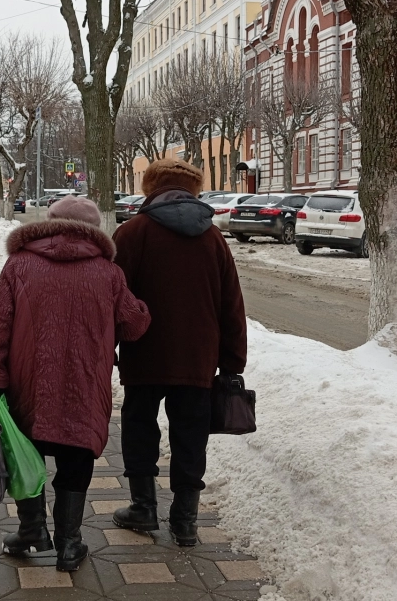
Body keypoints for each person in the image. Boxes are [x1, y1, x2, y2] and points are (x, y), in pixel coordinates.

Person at [0, 196, 151, 571]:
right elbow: (134, 324)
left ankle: (31, 531)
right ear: (94, 230)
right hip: (85, 382)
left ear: (51, 222)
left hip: (27, 381)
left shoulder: (19, 264)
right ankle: (70, 544)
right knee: (77, 452)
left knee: (26, 451)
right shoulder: (108, 273)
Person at [111, 159, 247, 547]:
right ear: (194, 190)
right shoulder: (213, 238)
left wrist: (110, 347)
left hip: (144, 352)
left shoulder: (133, 232)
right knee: (191, 434)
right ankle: (185, 521)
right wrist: (232, 361)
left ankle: (143, 508)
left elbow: (115, 299)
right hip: (198, 357)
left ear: (151, 187)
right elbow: (231, 305)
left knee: (139, 428)